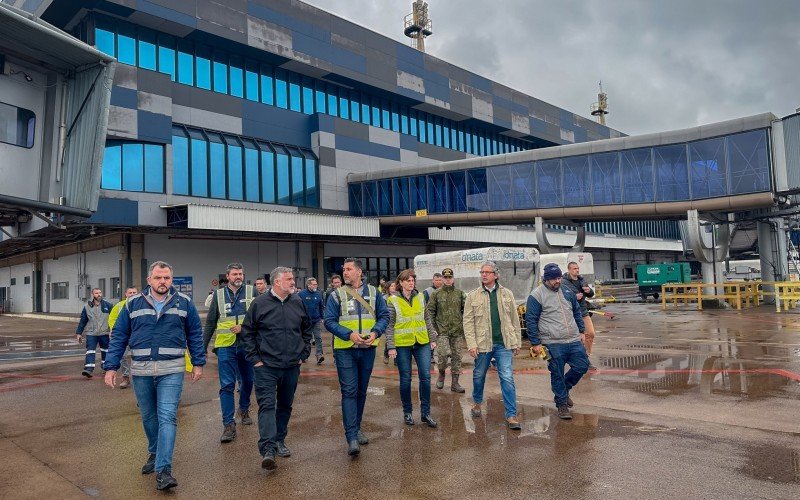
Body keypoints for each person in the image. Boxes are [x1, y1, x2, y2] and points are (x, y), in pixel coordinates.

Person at [103, 261, 205, 491]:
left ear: (172, 279)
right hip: (141, 371)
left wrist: (198, 363)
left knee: (167, 416)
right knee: (149, 417)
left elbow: (195, 334)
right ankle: (154, 452)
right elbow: (119, 336)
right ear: (149, 280)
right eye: (158, 278)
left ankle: (163, 470)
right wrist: (111, 367)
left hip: (172, 369)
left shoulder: (184, 303)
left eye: (167, 278)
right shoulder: (132, 304)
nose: (163, 282)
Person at [240, 266, 312, 470]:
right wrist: (256, 359)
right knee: (267, 406)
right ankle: (268, 449)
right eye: (289, 279)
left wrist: (303, 355)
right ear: (277, 282)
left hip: (291, 366)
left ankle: (280, 440)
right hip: (266, 367)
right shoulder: (259, 303)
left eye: (292, 278)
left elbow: (307, 329)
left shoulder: (298, 302)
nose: (293, 282)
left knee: (285, 405)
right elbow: (247, 333)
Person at [324, 258, 390, 457]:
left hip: (368, 349)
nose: (345, 272)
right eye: (344, 270)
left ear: (359, 272)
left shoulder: (373, 292)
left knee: (361, 391)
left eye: (349, 269)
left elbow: (384, 316)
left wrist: (376, 333)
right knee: (350, 391)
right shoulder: (336, 295)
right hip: (346, 349)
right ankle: (351, 436)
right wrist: (348, 334)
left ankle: (357, 427)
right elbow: (328, 321)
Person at [463, 261, 523, 430]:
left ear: (496, 275)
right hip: (482, 345)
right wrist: (472, 344)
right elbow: (468, 322)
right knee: (479, 375)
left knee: (507, 377)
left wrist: (516, 341)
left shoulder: (507, 294)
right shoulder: (473, 296)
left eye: (488, 272)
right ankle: (476, 402)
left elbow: (514, 319)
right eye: (482, 272)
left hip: (504, 343)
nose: (484, 275)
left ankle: (511, 415)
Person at [526, 263, 589, 420]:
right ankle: (561, 404)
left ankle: (565, 389)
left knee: (582, 365)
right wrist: (535, 343)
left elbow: (576, 311)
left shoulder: (567, 291)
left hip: (573, 339)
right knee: (557, 373)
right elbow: (531, 320)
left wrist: (581, 331)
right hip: (552, 342)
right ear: (546, 279)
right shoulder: (536, 295)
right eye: (554, 278)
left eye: (559, 277)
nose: (557, 281)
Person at [203, 263, 258, 443]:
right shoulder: (218, 295)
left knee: (248, 380)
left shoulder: (252, 292)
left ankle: (244, 408)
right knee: (226, 385)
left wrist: (244, 327)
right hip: (226, 346)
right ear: (227, 276)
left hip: (247, 345)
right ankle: (228, 425)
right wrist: (201, 349)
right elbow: (210, 323)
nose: (238, 277)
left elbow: (261, 318)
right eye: (235, 274)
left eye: (241, 273)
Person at [385, 269, 438, 428]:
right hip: (402, 345)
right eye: (408, 280)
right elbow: (389, 325)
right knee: (406, 379)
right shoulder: (392, 300)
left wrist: (432, 338)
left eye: (413, 280)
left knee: (426, 377)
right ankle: (407, 412)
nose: (411, 283)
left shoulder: (421, 297)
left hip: (422, 342)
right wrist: (391, 346)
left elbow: (426, 317)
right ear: (400, 283)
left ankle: (425, 413)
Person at [426, 267, 467, 393]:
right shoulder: (436, 294)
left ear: (453, 279)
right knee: (443, 355)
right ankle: (442, 373)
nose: (448, 280)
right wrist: (433, 329)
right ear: (442, 279)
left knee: (457, 357)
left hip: (457, 331)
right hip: (442, 331)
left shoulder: (460, 293)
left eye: (450, 277)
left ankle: (455, 383)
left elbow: (466, 311)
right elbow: (430, 312)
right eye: (445, 277)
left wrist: (464, 326)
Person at [561, 262, 597, 369]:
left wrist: (589, 291)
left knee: (590, 333)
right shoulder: (563, 282)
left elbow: (591, 294)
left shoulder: (582, 280)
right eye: (574, 268)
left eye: (578, 268)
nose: (577, 270)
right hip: (570, 313)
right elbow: (562, 297)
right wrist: (574, 296)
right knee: (575, 338)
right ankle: (577, 359)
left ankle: (586, 356)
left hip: (582, 311)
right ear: (569, 270)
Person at [75, 287, 113, 378]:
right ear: (93, 294)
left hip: (104, 333)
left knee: (106, 351)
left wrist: (113, 330)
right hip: (91, 333)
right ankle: (88, 369)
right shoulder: (87, 307)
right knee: (90, 351)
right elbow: (83, 321)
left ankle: (105, 367)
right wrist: (79, 333)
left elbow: (113, 319)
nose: (99, 294)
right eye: (96, 293)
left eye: (100, 292)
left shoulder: (108, 305)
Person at [108, 286, 139, 389]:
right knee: (123, 356)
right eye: (130, 292)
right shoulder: (119, 306)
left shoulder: (142, 305)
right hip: (125, 337)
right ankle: (125, 377)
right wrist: (116, 331)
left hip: (137, 336)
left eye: (134, 292)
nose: (132, 294)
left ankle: (140, 378)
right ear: (126, 294)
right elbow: (112, 319)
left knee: (140, 357)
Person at [298, 277, 325, 364]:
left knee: (318, 337)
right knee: (306, 338)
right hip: (305, 321)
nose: (315, 286)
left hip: (316, 320)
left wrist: (322, 317)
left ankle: (319, 354)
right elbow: (298, 306)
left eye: (316, 284)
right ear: (308, 285)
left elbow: (321, 306)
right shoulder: (301, 294)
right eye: (313, 284)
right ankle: (305, 355)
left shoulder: (318, 294)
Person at [381, 281, 397, 365]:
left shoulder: (399, 297)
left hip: (397, 321)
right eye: (391, 286)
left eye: (395, 286)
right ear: (388, 288)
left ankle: (396, 359)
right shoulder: (384, 298)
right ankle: (386, 354)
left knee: (396, 339)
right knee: (390, 338)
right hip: (388, 321)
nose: (393, 287)